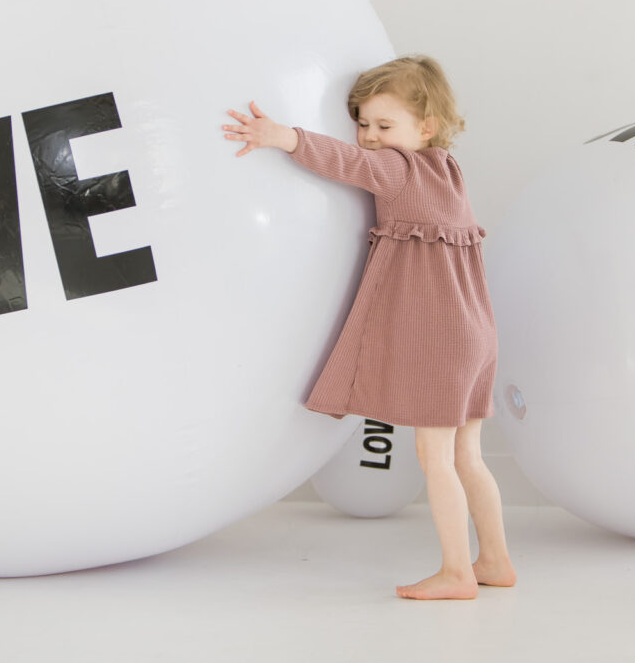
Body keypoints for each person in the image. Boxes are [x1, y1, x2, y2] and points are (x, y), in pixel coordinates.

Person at [221, 55, 516, 600]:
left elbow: (346, 164)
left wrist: (281, 136)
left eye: (384, 126)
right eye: (363, 124)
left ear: (425, 127)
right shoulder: (447, 169)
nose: (369, 138)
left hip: (442, 340)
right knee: (467, 456)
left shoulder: (398, 169)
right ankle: (494, 559)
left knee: (436, 459)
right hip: (476, 330)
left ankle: (456, 572)